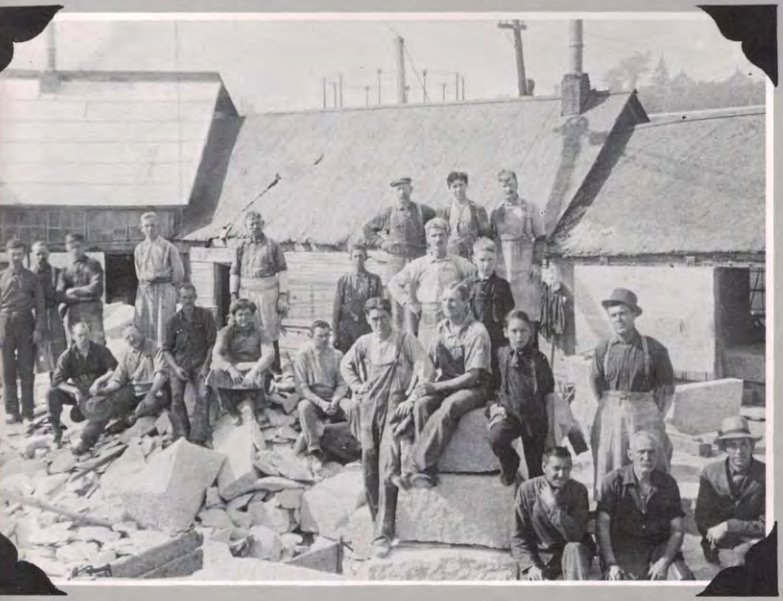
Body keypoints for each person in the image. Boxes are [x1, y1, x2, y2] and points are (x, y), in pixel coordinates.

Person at [340, 297, 434, 558]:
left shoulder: (405, 340)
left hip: (394, 407)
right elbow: (345, 365)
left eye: (382, 318)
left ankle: (384, 533)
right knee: (369, 464)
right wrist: (357, 386)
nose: (378, 323)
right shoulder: (364, 343)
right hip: (369, 408)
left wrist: (412, 398)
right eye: (373, 319)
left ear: (390, 318)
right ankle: (375, 522)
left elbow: (426, 369)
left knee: (389, 466)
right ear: (368, 320)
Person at [398, 282, 492, 489]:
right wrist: (418, 389)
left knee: (450, 406)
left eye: (452, 300)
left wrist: (437, 388)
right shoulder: (441, 328)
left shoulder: (477, 331)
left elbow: (472, 375)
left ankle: (415, 466)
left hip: (475, 387)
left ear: (465, 302)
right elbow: (429, 362)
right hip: (447, 383)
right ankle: (428, 471)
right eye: (444, 300)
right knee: (422, 405)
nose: (447, 304)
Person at [589, 287, 675, 499]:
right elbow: (595, 382)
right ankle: (610, 506)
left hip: (645, 412)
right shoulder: (603, 349)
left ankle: (653, 506)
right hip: (611, 412)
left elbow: (666, 387)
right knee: (609, 460)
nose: (618, 319)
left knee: (649, 458)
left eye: (623, 314)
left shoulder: (655, 349)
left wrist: (654, 414)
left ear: (634, 315)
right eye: (614, 315)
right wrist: (611, 406)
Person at [596, 431, 694, 581]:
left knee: (683, 580)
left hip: (659, 550)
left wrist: (664, 562)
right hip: (625, 552)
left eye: (651, 452)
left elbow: (678, 530)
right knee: (627, 587)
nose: (647, 458)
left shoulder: (668, 484)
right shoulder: (613, 482)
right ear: (630, 455)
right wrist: (611, 563)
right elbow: (602, 527)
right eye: (641, 452)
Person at [387, 217, 476, 351]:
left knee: (452, 351)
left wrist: (464, 300)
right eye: (433, 236)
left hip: (452, 313)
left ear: (447, 237)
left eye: (441, 235)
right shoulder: (419, 264)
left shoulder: (457, 262)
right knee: (427, 354)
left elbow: (478, 277)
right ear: (428, 239)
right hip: (428, 315)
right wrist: (410, 304)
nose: (438, 239)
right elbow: (393, 283)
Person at [488, 310, 555, 485]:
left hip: (534, 418)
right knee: (496, 437)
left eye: (523, 331)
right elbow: (493, 384)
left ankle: (532, 505)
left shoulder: (539, 359)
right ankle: (511, 465)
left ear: (530, 332)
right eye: (514, 331)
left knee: (536, 471)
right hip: (509, 414)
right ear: (505, 332)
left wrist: (549, 430)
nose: (519, 336)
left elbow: (548, 395)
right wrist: (495, 406)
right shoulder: (501, 354)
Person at [362, 177, 437, 333]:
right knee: (396, 305)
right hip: (395, 264)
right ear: (394, 192)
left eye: (405, 188)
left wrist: (430, 245)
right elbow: (367, 230)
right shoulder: (388, 213)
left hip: (417, 261)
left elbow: (437, 226)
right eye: (398, 189)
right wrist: (382, 243)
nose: (402, 192)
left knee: (418, 301)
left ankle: (417, 340)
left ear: (411, 190)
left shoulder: (424, 211)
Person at [512, 446, 595, 581]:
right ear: (544, 467)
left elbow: (575, 536)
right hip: (542, 557)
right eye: (556, 468)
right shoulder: (527, 490)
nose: (562, 474)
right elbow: (519, 537)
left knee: (574, 548)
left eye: (566, 468)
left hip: (573, 554)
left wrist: (553, 506)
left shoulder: (578, 491)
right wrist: (530, 565)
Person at [695, 415, 765, 568]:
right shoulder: (710, 473)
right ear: (724, 448)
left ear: (752, 446)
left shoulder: (766, 474)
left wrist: (729, 525)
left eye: (744, 444)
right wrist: (721, 535)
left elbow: (767, 522)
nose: (739, 451)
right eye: (732, 445)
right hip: (719, 542)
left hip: (754, 540)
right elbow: (702, 518)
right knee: (737, 565)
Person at [230, 211, 289, 389]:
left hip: (268, 292)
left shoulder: (273, 245)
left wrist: (283, 295)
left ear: (262, 224)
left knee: (270, 328)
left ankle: (275, 369)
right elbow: (234, 272)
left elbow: (283, 271)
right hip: (247, 291)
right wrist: (233, 295)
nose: (254, 227)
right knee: (248, 326)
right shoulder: (240, 247)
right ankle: (253, 366)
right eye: (251, 224)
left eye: (257, 223)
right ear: (246, 227)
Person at [47, 322, 119, 454]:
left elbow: (114, 369)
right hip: (80, 391)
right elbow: (57, 381)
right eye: (80, 335)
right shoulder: (67, 356)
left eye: (86, 335)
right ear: (73, 336)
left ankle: (86, 440)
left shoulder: (100, 350)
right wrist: (73, 390)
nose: (83, 338)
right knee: (52, 393)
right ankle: (56, 434)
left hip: (99, 391)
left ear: (89, 334)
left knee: (100, 407)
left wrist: (99, 380)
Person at [162, 283, 217, 445]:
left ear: (195, 297)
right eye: (184, 297)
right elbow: (166, 350)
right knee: (177, 399)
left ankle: (198, 436)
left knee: (203, 394)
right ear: (179, 298)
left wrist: (206, 366)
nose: (188, 301)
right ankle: (182, 435)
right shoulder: (172, 321)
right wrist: (176, 368)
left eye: (191, 297)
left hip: (200, 363)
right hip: (179, 365)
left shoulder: (206, 316)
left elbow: (211, 344)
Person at [207, 298, 275, 427]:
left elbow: (269, 354)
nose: (244, 318)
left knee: (263, 369)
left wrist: (254, 371)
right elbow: (216, 354)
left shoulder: (261, 331)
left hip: (254, 366)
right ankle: (230, 408)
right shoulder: (225, 332)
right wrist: (230, 369)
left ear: (253, 316)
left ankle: (259, 409)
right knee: (215, 370)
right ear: (234, 316)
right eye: (240, 315)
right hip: (234, 368)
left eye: (248, 314)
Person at [89, 324, 170, 433]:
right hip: (135, 391)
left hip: (155, 389)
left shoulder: (155, 347)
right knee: (111, 400)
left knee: (149, 405)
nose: (131, 339)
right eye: (127, 338)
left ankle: (128, 420)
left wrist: (151, 394)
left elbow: (161, 375)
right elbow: (118, 378)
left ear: (141, 333)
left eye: (133, 335)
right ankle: (90, 435)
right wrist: (105, 390)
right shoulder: (127, 354)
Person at [490, 169, 544, 332]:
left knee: (527, 312)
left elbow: (540, 238)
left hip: (524, 264)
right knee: (507, 310)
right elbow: (492, 240)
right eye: (504, 185)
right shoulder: (495, 211)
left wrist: (536, 263)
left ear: (517, 184)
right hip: (504, 267)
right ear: (500, 188)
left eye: (511, 184)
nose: (508, 189)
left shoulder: (530, 207)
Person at [292, 320, 355, 459]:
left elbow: (342, 383)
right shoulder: (303, 355)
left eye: (327, 335)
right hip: (314, 399)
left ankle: (358, 443)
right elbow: (302, 387)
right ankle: (314, 448)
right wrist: (321, 403)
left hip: (334, 398)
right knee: (303, 407)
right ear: (310, 336)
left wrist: (335, 400)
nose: (325, 339)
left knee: (353, 407)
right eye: (320, 336)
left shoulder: (337, 355)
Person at [0, 239, 45, 424]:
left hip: (26, 322)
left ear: (24, 254)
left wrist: (38, 329)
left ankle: (27, 412)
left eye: (19, 254)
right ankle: (11, 410)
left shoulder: (32, 277)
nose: (16, 257)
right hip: (4, 323)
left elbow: (41, 306)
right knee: (7, 369)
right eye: (13, 254)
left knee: (26, 368)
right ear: (7, 254)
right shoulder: (1, 276)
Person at [463, 237, 515, 389]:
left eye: (491, 260)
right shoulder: (468, 285)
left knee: (497, 371)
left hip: (497, 337)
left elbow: (509, 314)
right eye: (482, 260)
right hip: (475, 337)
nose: (486, 265)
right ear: (474, 260)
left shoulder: (503, 285)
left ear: (496, 260)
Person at [133, 212, 185, 345]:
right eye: (147, 226)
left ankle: (165, 360)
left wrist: (169, 288)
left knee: (164, 327)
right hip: (145, 291)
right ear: (142, 228)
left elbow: (178, 273)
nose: (150, 229)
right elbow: (139, 272)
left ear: (158, 227)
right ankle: (148, 360)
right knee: (144, 326)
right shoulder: (139, 249)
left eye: (153, 226)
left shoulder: (168, 247)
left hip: (164, 290)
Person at [332, 243, 383, 353]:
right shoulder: (343, 281)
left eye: (361, 256)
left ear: (365, 258)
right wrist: (335, 334)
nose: (358, 259)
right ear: (350, 258)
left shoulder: (374, 280)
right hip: (346, 329)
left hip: (366, 327)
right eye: (355, 256)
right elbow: (336, 309)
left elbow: (380, 307)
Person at [58, 233, 105, 346]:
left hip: (91, 310)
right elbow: (60, 293)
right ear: (66, 247)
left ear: (84, 247)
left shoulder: (93, 265)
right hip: (73, 311)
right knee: (74, 345)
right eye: (72, 247)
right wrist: (66, 298)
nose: (75, 250)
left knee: (96, 344)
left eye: (78, 246)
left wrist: (74, 291)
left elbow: (96, 287)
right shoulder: (65, 268)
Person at [30, 241, 67, 380]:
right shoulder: (30, 274)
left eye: (43, 253)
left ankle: (56, 386)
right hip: (36, 317)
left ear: (48, 254)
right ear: (34, 255)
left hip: (53, 315)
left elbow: (60, 292)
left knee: (56, 351)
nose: (41, 257)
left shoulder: (56, 272)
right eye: (38, 254)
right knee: (38, 352)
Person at [438, 171, 491, 260]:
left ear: (466, 185)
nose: (458, 189)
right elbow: (439, 234)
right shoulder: (444, 210)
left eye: (461, 185)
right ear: (449, 188)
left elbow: (485, 233)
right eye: (454, 186)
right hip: (452, 253)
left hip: (472, 253)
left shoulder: (477, 208)